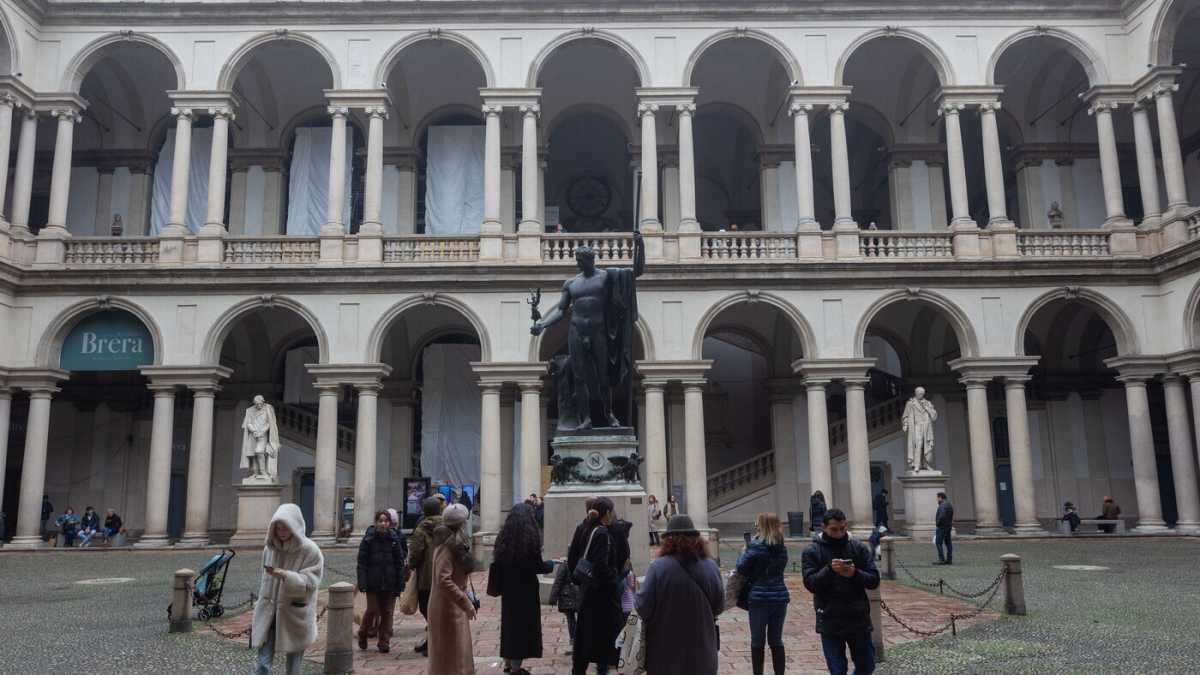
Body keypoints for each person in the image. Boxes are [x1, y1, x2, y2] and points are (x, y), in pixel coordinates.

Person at [636, 514, 725, 675]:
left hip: (664, 654)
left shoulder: (658, 568)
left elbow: (643, 607)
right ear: (697, 539)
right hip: (702, 652)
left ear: (668, 540)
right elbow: (719, 607)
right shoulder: (711, 566)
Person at [802, 509, 880, 675]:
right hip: (830, 617)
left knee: (867, 666)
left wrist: (854, 574)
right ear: (824, 527)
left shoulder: (858, 547)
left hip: (858, 617)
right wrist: (830, 569)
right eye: (834, 529)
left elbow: (874, 580)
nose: (839, 533)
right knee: (837, 671)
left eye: (842, 529)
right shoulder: (812, 551)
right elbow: (810, 584)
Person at [251, 503, 324, 675]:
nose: (282, 532)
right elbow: (265, 581)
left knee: (294, 666)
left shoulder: (310, 550)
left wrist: (285, 575)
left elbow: (311, 583)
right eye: (278, 528)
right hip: (269, 612)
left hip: (295, 614)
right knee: (263, 662)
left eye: (286, 528)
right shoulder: (270, 549)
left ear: (295, 526)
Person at [494, 503, 555, 675]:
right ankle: (516, 667)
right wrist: (551, 564)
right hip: (526, 590)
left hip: (508, 589)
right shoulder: (530, 539)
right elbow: (537, 566)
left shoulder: (503, 537)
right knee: (522, 629)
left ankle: (507, 662)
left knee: (509, 625)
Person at [567, 497, 624, 675]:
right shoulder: (601, 532)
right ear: (606, 513)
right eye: (612, 511)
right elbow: (600, 565)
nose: (614, 515)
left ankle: (584, 668)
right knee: (608, 635)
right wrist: (614, 578)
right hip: (601, 595)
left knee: (587, 636)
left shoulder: (589, 528)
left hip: (589, 592)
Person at [736, 512, 790, 675]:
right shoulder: (782, 547)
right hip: (780, 596)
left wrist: (744, 551)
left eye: (757, 524)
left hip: (759, 598)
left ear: (762, 526)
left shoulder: (755, 546)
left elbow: (741, 568)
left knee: (757, 641)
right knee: (776, 640)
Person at [427, 503, 478, 675]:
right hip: (446, 608)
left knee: (456, 653)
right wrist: (465, 602)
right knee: (450, 656)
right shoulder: (446, 547)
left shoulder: (454, 544)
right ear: (461, 525)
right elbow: (443, 580)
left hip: (453, 606)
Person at [356, 510, 407, 653]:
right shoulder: (368, 540)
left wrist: (400, 582)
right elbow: (362, 563)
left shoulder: (394, 539)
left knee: (387, 612)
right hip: (373, 582)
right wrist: (362, 582)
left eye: (386, 521)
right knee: (372, 610)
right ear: (376, 522)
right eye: (380, 520)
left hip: (390, 582)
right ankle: (363, 633)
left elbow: (399, 563)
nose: (383, 523)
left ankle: (384, 640)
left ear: (390, 523)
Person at [407, 496, 444, 655]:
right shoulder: (448, 526)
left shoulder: (421, 529)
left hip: (426, 578)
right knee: (439, 610)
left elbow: (415, 554)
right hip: (444, 575)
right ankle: (431, 641)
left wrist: (412, 565)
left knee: (426, 609)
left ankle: (434, 644)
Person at [934, 492, 954, 565]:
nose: (937, 500)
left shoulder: (942, 505)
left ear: (940, 497)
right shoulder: (949, 504)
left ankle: (941, 559)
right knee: (948, 543)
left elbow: (942, 515)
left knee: (938, 542)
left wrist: (938, 523)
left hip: (942, 527)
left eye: (937, 498)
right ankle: (949, 559)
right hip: (948, 526)